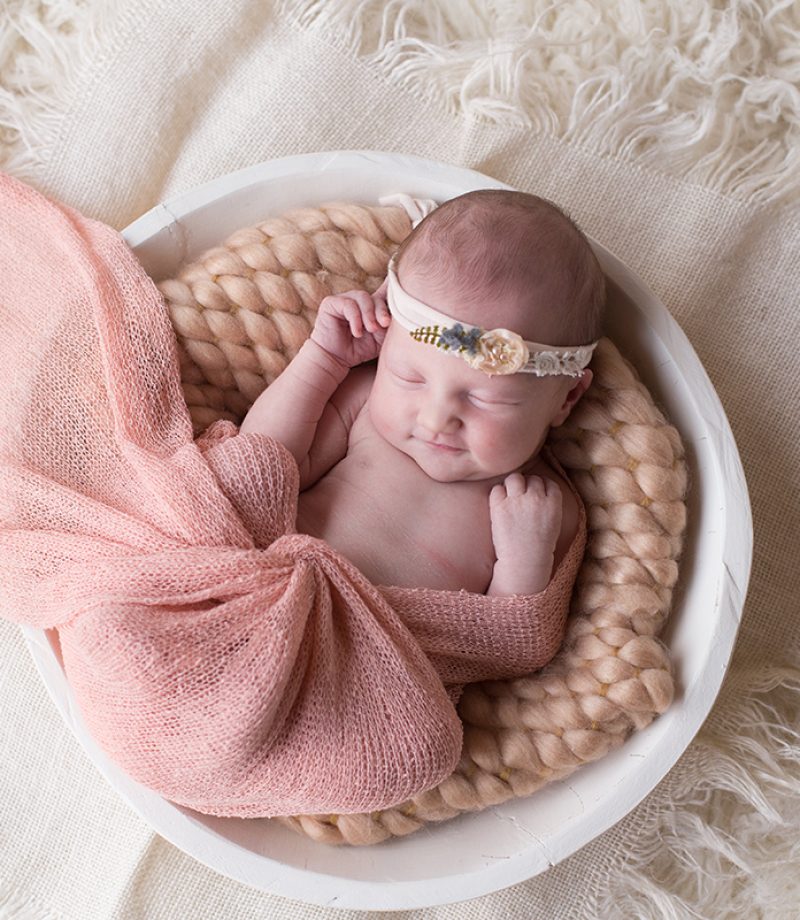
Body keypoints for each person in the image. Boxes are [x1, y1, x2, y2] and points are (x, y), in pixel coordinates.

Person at [239, 189, 605, 597]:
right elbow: (253, 468)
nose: (435, 419)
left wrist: (524, 563)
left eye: (483, 399)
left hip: (368, 638)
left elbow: (504, 636)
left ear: (566, 398)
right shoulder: (365, 404)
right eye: (410, 377)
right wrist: (323, 359)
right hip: (259, 584)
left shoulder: (540, 511)